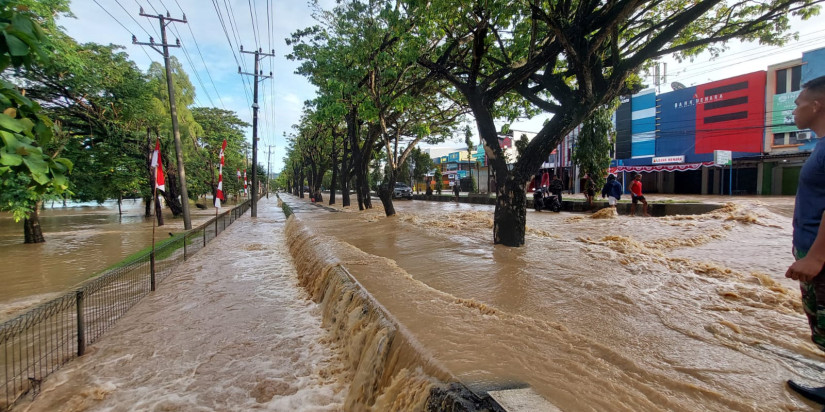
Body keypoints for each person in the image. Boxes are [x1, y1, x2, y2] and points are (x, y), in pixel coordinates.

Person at [786, 76, 825, 404]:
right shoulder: (820, 147)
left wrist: (815, 256)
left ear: (817, 105)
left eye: (798, 104)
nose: (794, 111)